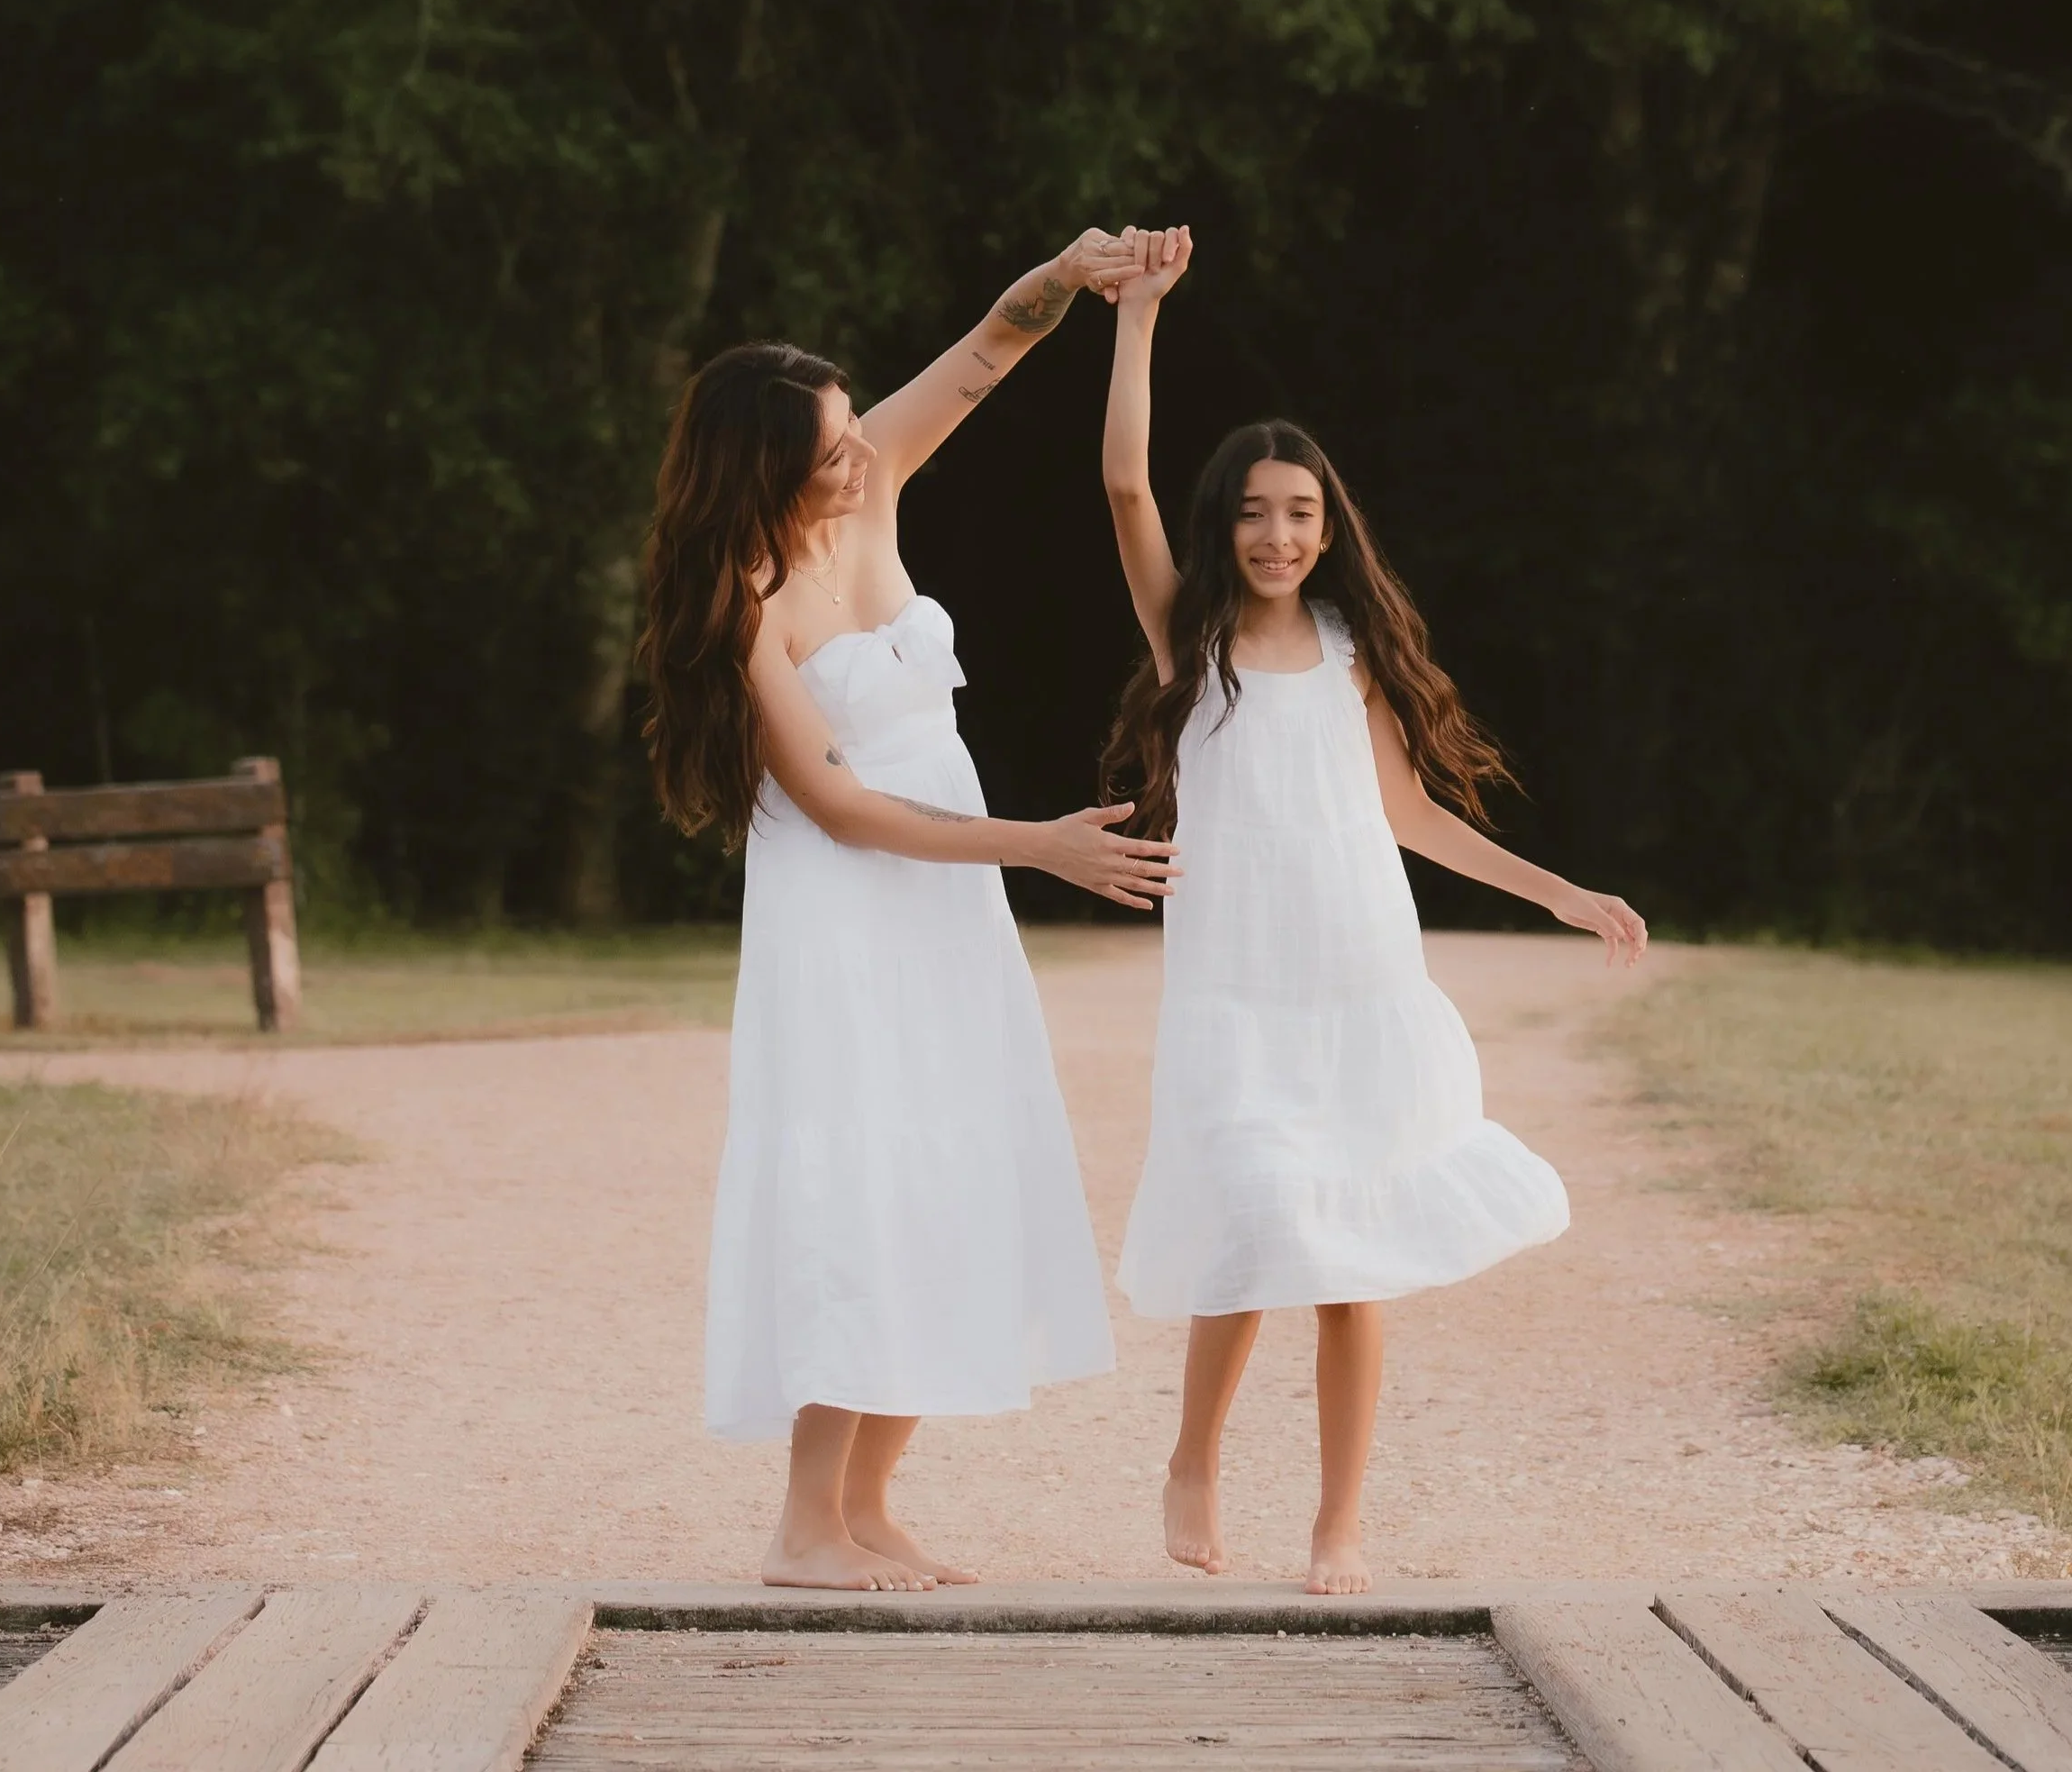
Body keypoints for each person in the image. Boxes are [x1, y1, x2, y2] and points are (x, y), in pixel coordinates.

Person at [1097, 227, 1647, 1595]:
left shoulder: (1353, 655)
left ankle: (1338, 1521)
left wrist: (1562, 893)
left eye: (1300, 512)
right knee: (1250, 1219)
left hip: (1357, 985)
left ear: (1329, 528)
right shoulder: (1191, 642)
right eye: (1253, 512)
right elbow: (1122, 483)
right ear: (1223, 525)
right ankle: (1193, 1457)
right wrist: (1139, 317)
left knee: (1351, 1264)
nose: (1277, 535)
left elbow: (1413, 817)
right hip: (1235, 990)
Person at [638, 229, 1177, 1593]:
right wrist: (1039, 848)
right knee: (861, 1184)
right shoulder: (745, 603)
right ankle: (803, 1525)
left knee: (953, 1168)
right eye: (830, 449)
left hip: (946, 908)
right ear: (764, 468)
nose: (859, 458)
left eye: (851, 433)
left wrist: (1076, 276)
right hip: (844, 923)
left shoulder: (867, 496)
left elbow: (993, 347)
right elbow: (836, 804)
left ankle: (871, 1506)